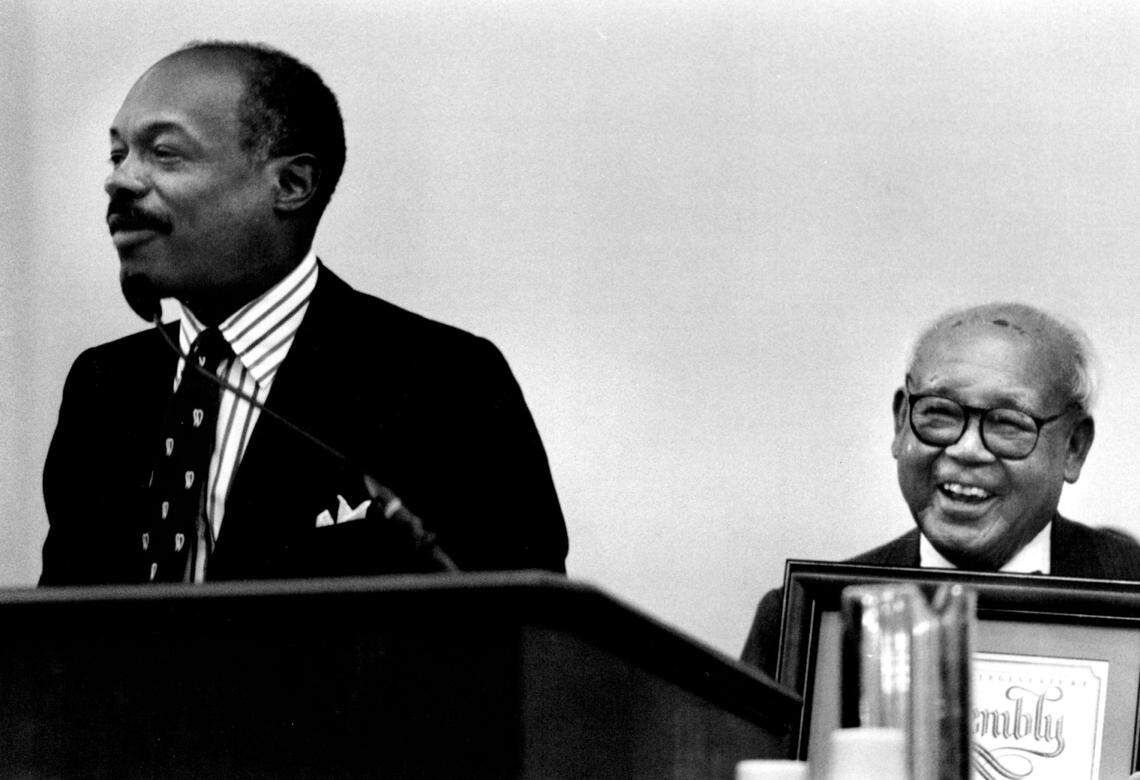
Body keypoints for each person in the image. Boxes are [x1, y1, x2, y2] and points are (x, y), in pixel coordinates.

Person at [39, 41, 568, 585]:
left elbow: (523, 625)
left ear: (291, 185)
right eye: (118, 155)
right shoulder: (103, 387)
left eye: (164, 152)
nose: (120, 179)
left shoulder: (446, 383)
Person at [741, 302, 1140, 675]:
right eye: (940, 413)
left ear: (1074, 447)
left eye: (1008, 423)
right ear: (901, 423)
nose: (967, 449)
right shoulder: (799, 623)